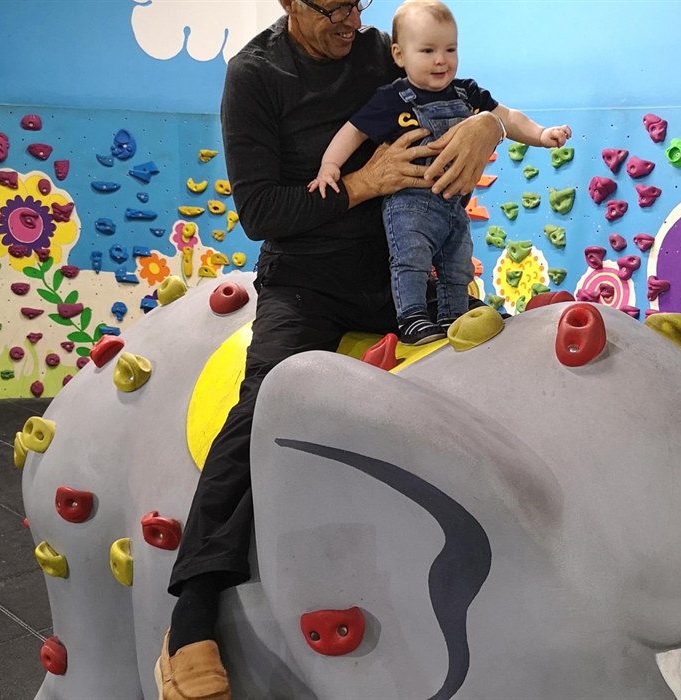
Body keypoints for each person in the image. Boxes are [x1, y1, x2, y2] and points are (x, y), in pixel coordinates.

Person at [154, 0, 504, 697]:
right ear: (288, 3)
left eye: (358, 3)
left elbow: (471, 98)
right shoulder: (254, 76)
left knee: (499, 360)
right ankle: (191, 614)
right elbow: (260, 213)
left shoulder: (382, 51)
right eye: (332, 6)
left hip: (406, 275)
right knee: (261, 407)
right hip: (308, 284)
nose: (349, 19)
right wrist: (363, 184)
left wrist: (487, 128)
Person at [308, 0, 572, 345]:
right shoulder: (393, 98)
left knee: (457, 264)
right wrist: (330, 166)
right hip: (409, 205)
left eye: (450, 49)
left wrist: (539, 135)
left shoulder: (467, 93)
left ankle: (453, 314)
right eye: (428, 50)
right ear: (400, 56)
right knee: (411, 260)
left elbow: (506, 116)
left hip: (453, 205)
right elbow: (353, 131)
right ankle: (412, 316)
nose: (441, 60)